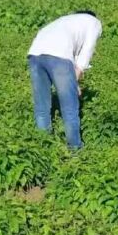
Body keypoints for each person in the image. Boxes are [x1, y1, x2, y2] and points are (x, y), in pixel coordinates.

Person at [27, 10, 102, 150]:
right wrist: (74, 82)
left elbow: (71, 54)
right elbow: (85, 54)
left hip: (35, 54)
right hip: (58, 57)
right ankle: (75, 150)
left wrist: (74, 82)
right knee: (69, 108)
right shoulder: (94, 22)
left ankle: (44, 148)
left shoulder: (65, 21)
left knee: (41, 107)